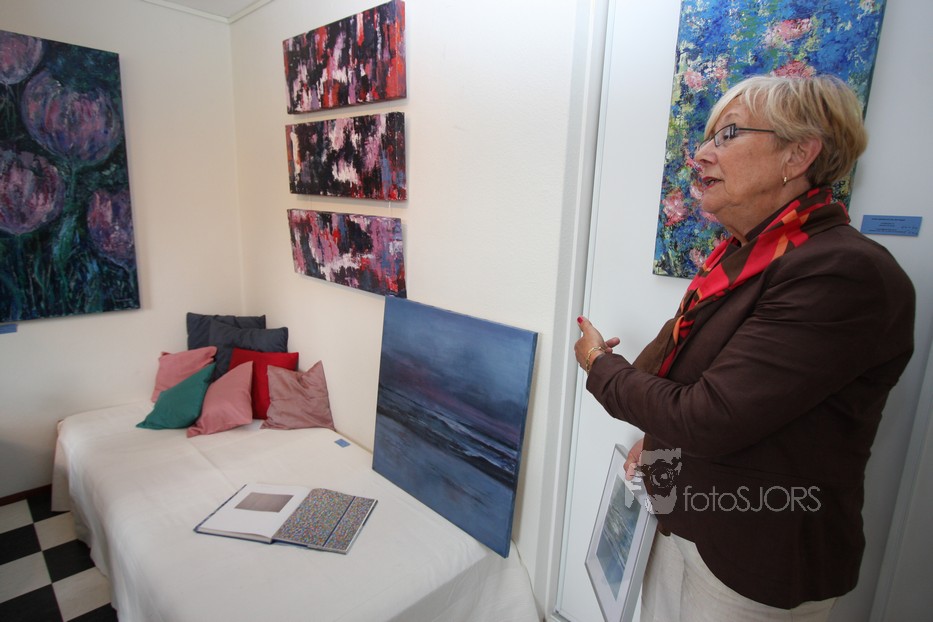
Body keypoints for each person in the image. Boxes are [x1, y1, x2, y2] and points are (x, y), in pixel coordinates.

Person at [574, 74, 915, 621]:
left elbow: (710, 417)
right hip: (682, 519)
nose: (702, 155)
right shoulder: (742, 260)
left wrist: (599, 365)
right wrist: (657, 439)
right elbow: (713, 384)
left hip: (754, 558)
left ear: (798, 155)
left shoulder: (844, 272)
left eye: (728, 135)